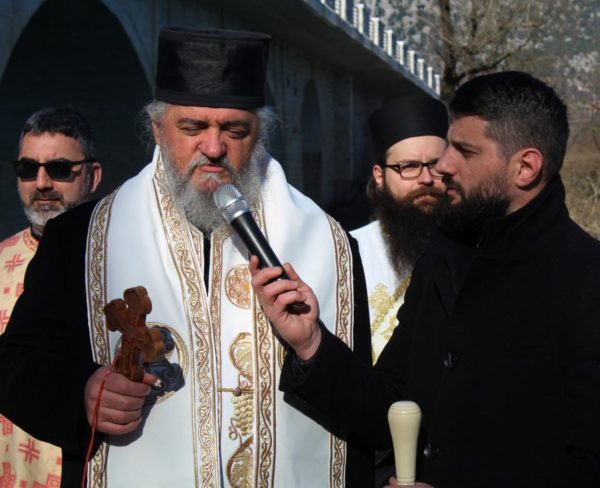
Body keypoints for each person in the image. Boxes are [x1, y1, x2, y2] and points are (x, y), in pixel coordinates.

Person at [0, 27, 372, 488]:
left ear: (260, 133)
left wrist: (312, 348)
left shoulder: (329, 244)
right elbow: (16, 367)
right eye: (192, 128)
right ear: (157, 129)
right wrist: (82, 394)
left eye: (234, 130)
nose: (213, 148)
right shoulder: (80, 238)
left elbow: (367, 409)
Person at [250, 71, 600, 487]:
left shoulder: (586, 280)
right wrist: (311, 344)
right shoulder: (444, 257)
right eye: (449, 145)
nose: (443, 166)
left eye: (464, 151)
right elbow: (392, 405)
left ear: (525, 167)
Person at [0, 107, 101, 487]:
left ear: (92, 176)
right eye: (28, 169)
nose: (41, 183)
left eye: (59, 169)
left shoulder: (117, 258)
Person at [351, 96, 447, 362]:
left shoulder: (476, 246)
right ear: (379, 176)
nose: (426, 179)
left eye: (436, 166)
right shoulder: (349, 251)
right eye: (409, 167)